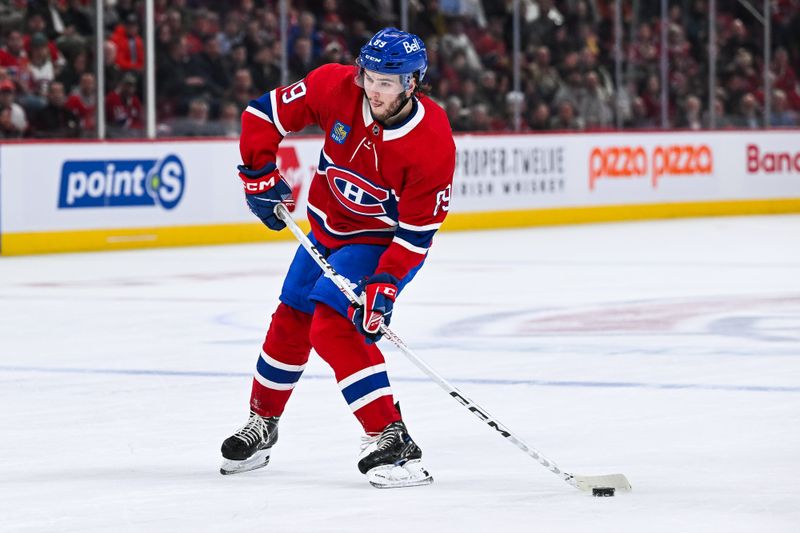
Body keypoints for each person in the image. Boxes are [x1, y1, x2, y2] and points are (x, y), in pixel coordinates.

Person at [220, 27, 456, 489]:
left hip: (374, 243)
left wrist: (385, 285)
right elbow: (261, 115)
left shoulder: (432, 143)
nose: (373, 88)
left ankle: (390, 434)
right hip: (324, 231)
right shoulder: (336, 84)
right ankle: (262, 423)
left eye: (387, 82)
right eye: (369, 76)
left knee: (333, 324)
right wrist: (258, 174)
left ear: (413, 83)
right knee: (290, 319)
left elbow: (415, 236)